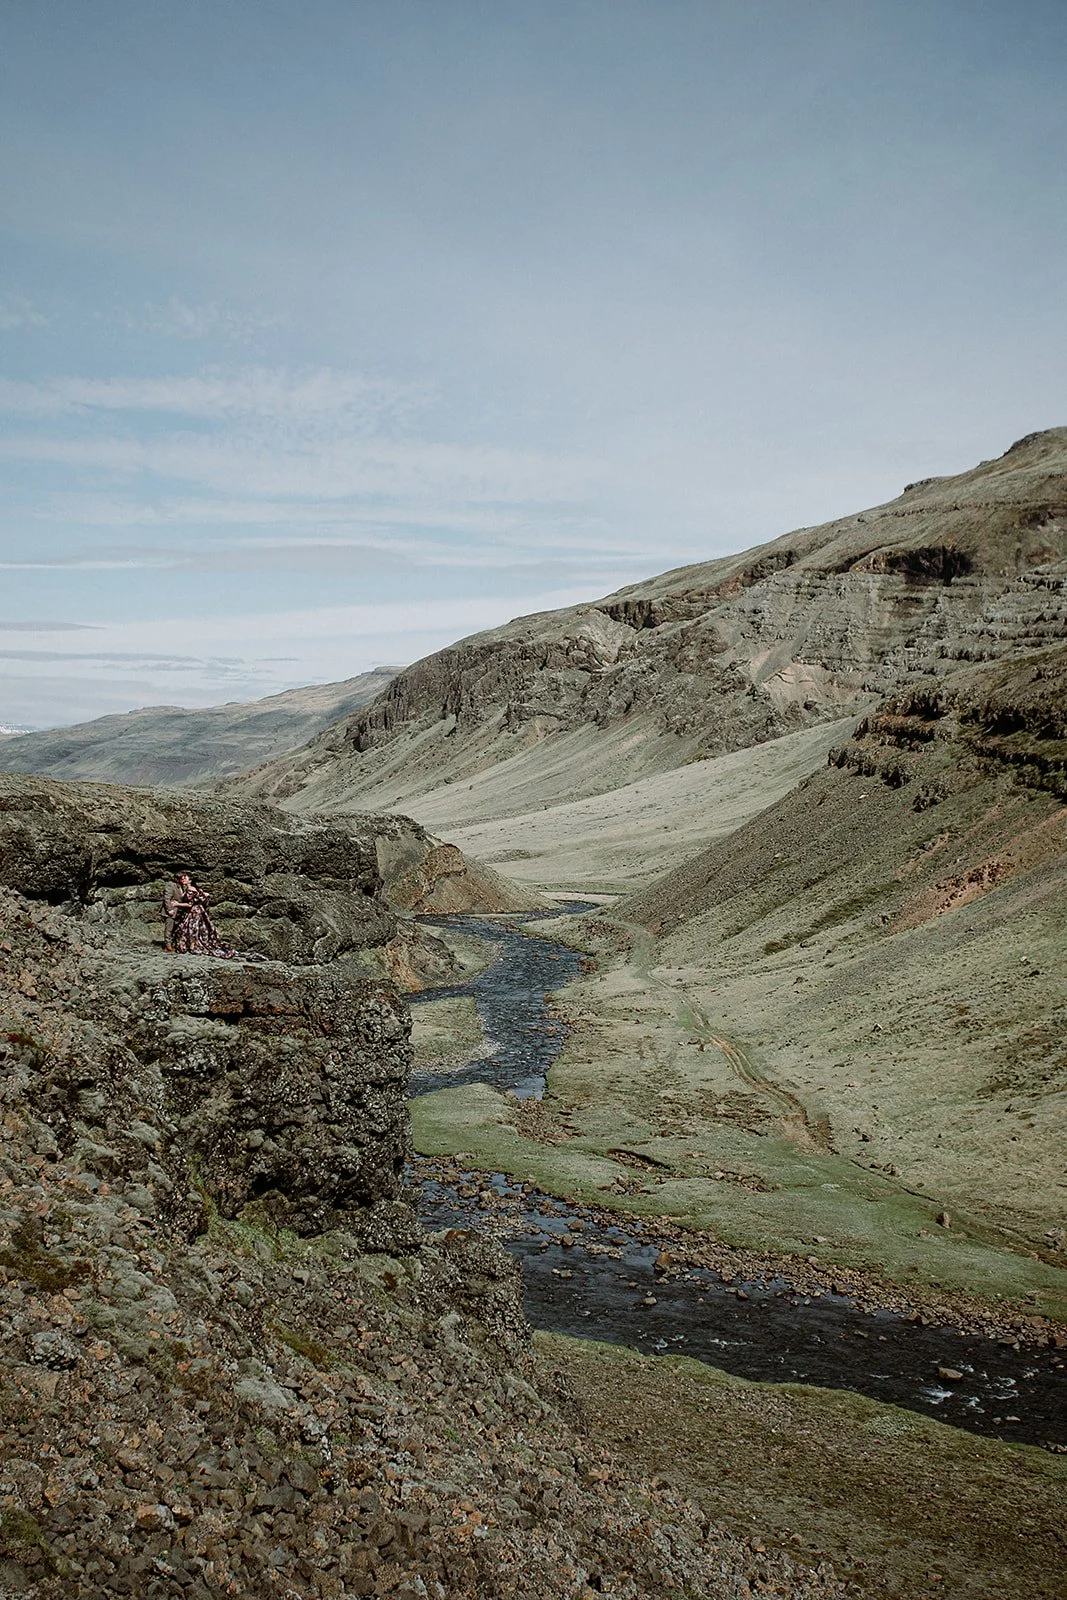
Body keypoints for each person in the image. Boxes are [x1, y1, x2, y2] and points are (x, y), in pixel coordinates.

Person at [169, 872, 263, 962]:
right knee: (195, 930)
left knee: (190, 929)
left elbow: (190, 904)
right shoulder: (195, 889)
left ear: (190, 880)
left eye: (185, 878)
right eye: (182, 878)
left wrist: (177, 904)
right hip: (199, 911)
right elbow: (202, 898)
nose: (183, 879)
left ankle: (192, 945)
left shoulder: (190, 890)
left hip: (193, 912)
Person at [161, 874, 189, 951]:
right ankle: (167, 945)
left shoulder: (182, 886)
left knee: (175, 928)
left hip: (178, 911)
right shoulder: (170, 885)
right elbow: (167, 899)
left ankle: (172, 943)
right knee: (169, 928)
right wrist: (169, 909)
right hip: (171, 910)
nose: (183, 880)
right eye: (182, 879)